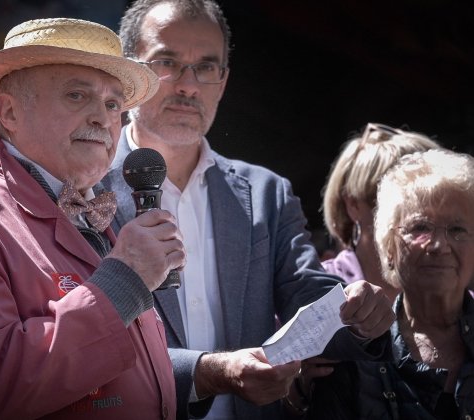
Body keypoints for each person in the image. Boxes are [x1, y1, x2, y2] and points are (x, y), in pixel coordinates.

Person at [102, 1, 395, 418]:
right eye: (166, 62)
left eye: (206, 67)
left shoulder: (265, 193)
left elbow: (312, 307)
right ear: (129, 73)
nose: (188, 85)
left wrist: (362, 318)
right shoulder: (84, 190)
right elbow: (86, 343)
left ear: (222, 82)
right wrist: (208, 373)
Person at [0, 18, 185, 419]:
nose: (103, 118)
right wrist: (126, 280)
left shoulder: (95, 215)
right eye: (78, 95)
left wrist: (208, 373)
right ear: (9, 111)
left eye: (114, 104)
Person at [282, 122, 442, 416]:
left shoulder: (459, 301)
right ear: (353, 205)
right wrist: (293, 388)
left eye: (430, 196)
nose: (418, 213)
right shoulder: (305, 293)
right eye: (395, 197)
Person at [306, 148, 474, 419]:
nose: (439, 245)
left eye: (457, 229)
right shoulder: (353, 353)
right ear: (389, 247)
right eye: (420, 227)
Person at [321, 123, 441, 302]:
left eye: (435, 197)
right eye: (400, 199)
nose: (422, 213)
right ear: (353, 205)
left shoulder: (462, 304)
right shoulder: (314, 290)